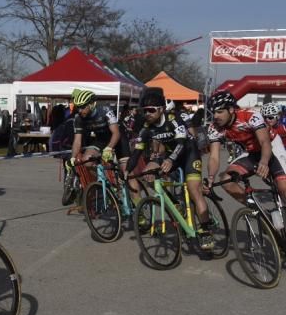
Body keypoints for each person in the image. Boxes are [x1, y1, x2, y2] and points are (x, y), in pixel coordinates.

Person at [126, 90, 215, 249]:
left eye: (151, 110)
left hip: (188, 153)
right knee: (149, 174)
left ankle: (205, 231)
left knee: (194, 189)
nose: (147, 114)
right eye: (144, 111)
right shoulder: (146, 127)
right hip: (170, 155)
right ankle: (176, 204)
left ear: (161, 109)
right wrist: (127, 171)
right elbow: (137, 152)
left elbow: (181, 142)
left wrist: (170, 159)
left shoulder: (173, 119)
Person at [205, 90, 286, 206]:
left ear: (231, 110)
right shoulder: (215, 127)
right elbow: (214, 157)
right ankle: (255, 209)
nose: (216, 116)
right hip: (251, 152)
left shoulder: (250, 115)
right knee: (225, 179)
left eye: (220, 112)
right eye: (214, 112)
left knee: (283, 187)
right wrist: (210, 177)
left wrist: (264, 162)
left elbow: (265, 142)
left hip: (272, 146)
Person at [69, 89, 121, 168]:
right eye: (78, 107)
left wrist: (109, 148)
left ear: (92, 104)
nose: (79, 110)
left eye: (82, 107)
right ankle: (101, 176)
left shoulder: (105, 110)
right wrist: (73, 157)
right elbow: (77, 140)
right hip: (101, 140)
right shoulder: (78, 118)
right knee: (86, 161)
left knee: (126, 172)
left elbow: (116, 133)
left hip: (117, 138)